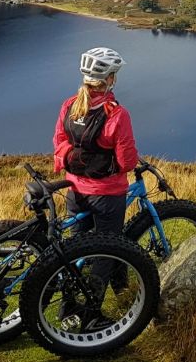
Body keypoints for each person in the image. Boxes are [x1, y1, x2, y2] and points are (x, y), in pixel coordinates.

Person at [52, 47, 139, 328]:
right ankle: (90, 313)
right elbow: (126, 161)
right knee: (105, 252)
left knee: (73, 252)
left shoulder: (69, 105)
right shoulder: (117, 114)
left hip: (74, 191)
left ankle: (66, 309)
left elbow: (59, 143)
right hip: (107, 195)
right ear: (110, 79)